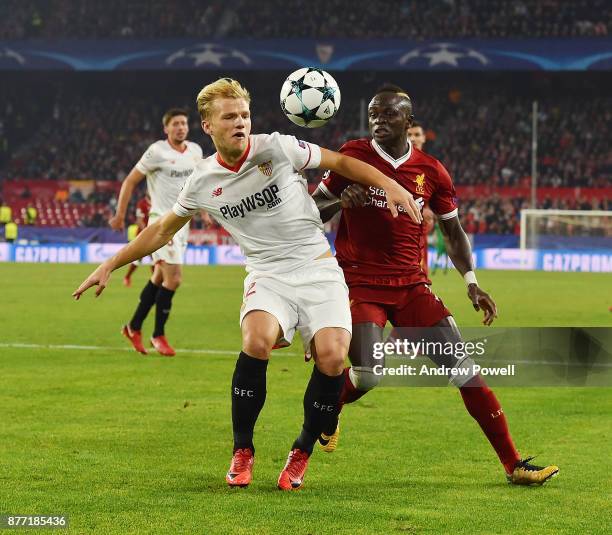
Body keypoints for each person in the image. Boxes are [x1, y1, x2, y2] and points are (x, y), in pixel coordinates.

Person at [73, 77, 422, 491]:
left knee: (332, 356)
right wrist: (110, 263)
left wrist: (391, 184)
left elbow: (340, 162)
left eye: (244, 115)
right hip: (267, 273)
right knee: (256, 341)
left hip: (316, 267)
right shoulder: (202, 181)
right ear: (209, 126)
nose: (240, 122)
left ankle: (302, 450)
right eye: (229, 117)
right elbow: (162, 230)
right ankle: (243, 451)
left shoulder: (277, 147)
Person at [312, 84, 558, 486]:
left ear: (408, 123)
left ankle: (513, 464)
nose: (378, 119)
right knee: (370, 373)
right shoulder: (351, 156)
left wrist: (472, 283)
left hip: (412, 287)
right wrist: (341, 201)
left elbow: (454, 232)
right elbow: (312, 207)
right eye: (374, 113)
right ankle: (330, 409)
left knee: (466, 370)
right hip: (360, 284)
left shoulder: (432, 171)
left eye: (388, 114)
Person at [109, 109, 203, 357]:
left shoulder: (196, 151)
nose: (181, 127)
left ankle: (133, 327)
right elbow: (130, 181)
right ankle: (158, 334)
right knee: (174, 279)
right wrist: (120, 215)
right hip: (161, 222)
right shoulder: (156, 151)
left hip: (184, 222)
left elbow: (200, 184)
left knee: (159, 278)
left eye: (184, 123)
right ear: (166, 129)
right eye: (175, 124)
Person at [123, 194, 152, 288]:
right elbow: (139, 220)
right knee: (141, 258)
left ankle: (156, 281)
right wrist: (146, 232)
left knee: (154, 257)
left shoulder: (156, 200)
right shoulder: (141, 203)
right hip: (142, 234)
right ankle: (127, 277)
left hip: (154, 233)